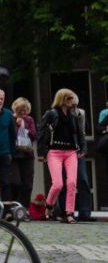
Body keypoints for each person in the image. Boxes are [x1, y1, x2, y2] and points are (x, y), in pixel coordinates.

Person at [37, 88, 86, 224]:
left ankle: (69, 213)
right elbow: (41, 132)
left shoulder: (74, 116)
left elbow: (80, 134)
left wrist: (83, 148)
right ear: (62, 99)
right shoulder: (51, 114)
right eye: (69, 98)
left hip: (71, 152)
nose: (72, 101)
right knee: (58, 184)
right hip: (55, 152)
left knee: (71, 183)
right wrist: (41, 153)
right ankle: (49, 206)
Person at [10, 97, 38, 207]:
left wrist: (24, 125)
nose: (23, 112)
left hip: (27, 154)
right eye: (20, 110)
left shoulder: (30, 120)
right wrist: (17, 124)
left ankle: (24, 209)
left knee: (27, 184)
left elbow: (34, 135)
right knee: (15, 182)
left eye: (25, 110)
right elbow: (11, 135)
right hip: (14, 155)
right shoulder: (10, 119)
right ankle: (12, 207)